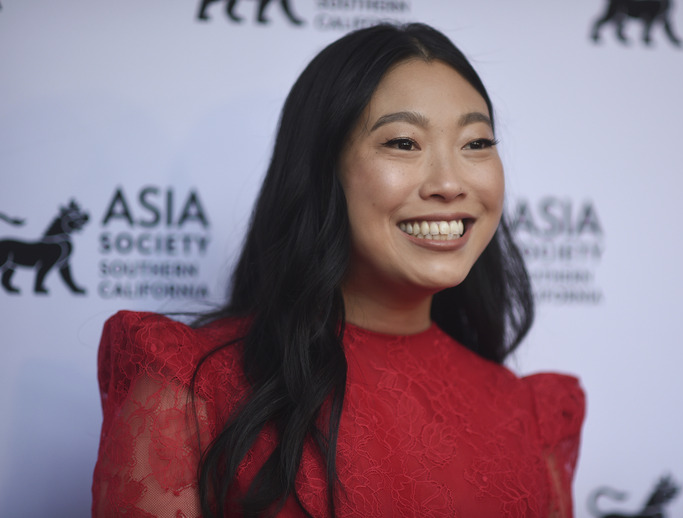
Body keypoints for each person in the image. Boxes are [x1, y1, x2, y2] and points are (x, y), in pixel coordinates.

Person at [92, 23, 585, 518]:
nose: (449, 182)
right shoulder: (190, 386)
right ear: (323, 170)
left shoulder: (530, 414)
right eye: (404, 143)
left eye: (476, 143)